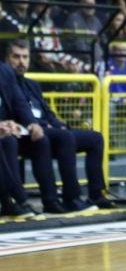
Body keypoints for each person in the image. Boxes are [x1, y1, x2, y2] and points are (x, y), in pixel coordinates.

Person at [6, 40, 112, 210]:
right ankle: (71, 197)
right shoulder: (5, 84)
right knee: (64, 136)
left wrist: (58, 124)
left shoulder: (32, 84)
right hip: (24, 132)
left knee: (95, 138)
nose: (21, 62)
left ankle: (96, 195)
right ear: (6, 59)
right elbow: (12, 113)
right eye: (16, 57)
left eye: (25, 57)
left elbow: (47, 112)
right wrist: (43, 126)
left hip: (48, 129)